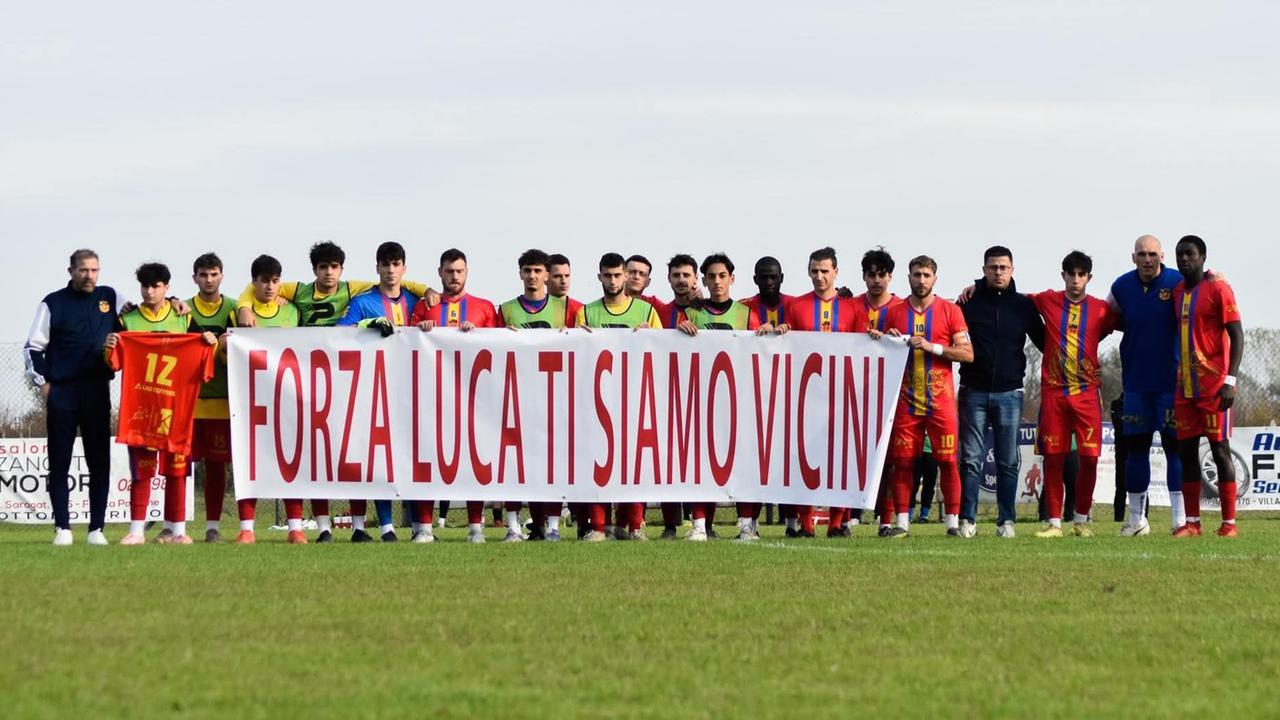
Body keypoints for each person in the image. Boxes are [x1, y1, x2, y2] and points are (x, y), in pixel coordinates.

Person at [106, 263, 218, 545]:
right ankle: (136, 531)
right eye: (145, 286)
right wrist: (108, 348)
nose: (150, 291)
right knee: (142, 471)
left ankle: (179, 532)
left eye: (156, 286)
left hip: (177, 408)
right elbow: (113, 363)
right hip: (142, 406)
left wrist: (210, 340)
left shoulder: (182, 317)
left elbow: (205, 350)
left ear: (167, 288)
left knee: (178, 470)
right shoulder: (128, 320)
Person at [25, 249, 123, 545]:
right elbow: (32, 348)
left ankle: (97, 529)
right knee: (59, 461)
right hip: (63, 391)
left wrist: (174, 304)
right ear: (71, 271)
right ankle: (62, 528)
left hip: (96, 390)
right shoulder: (53, 302)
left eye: (94, 270)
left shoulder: (111, 297)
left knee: (100, 463)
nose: (89, 275)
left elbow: (141, 315)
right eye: (83, 270)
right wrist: (44, 384)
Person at [872, 255, 973, 538]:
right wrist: (888, 339)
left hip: (940, 403)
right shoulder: (895, 312)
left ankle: (953, 523)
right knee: (903, 462)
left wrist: (933, 347)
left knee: (948, 461)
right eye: (917, 274)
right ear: (909, 277)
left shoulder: (950, 311)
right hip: (906, 402)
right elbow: (881, 348)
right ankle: (902, 523)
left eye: (927, 275)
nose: (921, 280)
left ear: (935, 279)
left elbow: (967, 354)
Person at [411, 248, 503, 543]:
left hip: (473, 401)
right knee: (426, 459)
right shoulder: (425, 307)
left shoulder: (485, 308)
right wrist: (420, 330)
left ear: (467, 273)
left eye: (459, 271)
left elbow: (500, 349)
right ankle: (424, 528)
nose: (454, 276)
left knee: (474, 461)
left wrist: (478, 336)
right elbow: (407, 343)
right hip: (431, 400)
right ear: (439, 273)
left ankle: (476, 527)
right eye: (449, 271)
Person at [676, 253, 768, 540]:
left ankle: (745, 524)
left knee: (744, 462)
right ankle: (699, 525)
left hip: (738, 401)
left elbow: (759, 354)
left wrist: (768, 335)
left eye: (722, 276)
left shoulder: (745, 314)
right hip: (702, 402)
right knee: (701, 462)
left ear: (731, 279)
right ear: (703, 280)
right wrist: (678, 331)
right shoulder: (691, 315)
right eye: (711, 277)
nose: (717, 282)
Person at [955, 246, 1045, 539]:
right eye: (992, 267)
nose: (998, 272)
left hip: (1010, 392)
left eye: (1003, 267)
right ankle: (967, 520)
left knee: (1008, 461)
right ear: (984, 270)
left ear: (1012, 270)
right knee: (970, 459)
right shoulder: (967, 303)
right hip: (973, 390)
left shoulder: (1023, 306)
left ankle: (1007, 521)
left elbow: (1046, 342)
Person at [1026, 252, 1117, 538]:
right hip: (1054, 394)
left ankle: (1081, 520)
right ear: (1063, 275)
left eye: (1081, 274)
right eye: (1071, 274)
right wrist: (976, 288)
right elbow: (1012, 299)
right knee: (1054, 458)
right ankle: (1053, 523)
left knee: (1089, 459)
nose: (1076, 280)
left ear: (1089, 278)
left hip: (1087, 394)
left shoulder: (1102, 310)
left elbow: (1128, 324)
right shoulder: (1047, 300)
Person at [338, 241, 422, 543]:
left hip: (413, 393)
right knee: (380, 460)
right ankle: (386, 527)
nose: (390, 270)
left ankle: (418, 527)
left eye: (395, 263)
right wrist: (366, 324)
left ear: (404, 268)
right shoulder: (364, 302)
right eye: (385, 264)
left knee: (413, 459)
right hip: (375, 392)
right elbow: (339, 333)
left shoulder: (417, 300)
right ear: (377, 268)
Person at [575, 252, 662, 542]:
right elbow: (574, 355)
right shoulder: (586, 313)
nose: (612, 280)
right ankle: (598, 527)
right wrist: (575, 337)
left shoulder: (647, 313)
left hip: (635, 399)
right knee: (597, 462)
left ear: (626, 276)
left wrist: (652, 337)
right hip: (597, 400)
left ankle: (634, 526)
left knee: (634, 462)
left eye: (617, 275)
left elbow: (662, 352)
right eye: (607, 275)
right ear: (599, 276)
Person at [777, 247, 859, 537]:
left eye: (825, 271)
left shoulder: (854, 307)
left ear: (836, 272)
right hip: (806, 397)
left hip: (841, 396)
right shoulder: (796, 306)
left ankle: (838, 523)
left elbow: (864, 350)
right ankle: (806, 525)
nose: (819, 276)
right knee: (804, 460)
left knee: (841, 459)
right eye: (814, 271)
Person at [1108, 235, 1185, 536]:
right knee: (1136, 451)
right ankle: (1136, 520)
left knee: (1174, 450)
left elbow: (1205, 289)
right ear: (1133, 257)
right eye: (1142, 254)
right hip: (1136, 386)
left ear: (1162, 255)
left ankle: (1179, 520)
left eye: (1152, 253)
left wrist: (1215, 277)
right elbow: (1104, 316)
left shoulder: (1178, 281)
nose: (1147, 259)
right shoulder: (1121, 287)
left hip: (1171, 385)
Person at [1170, 235, 1244, 538]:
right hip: (1185, 388)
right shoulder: (1176, 292)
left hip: (1215, 388)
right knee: (1186, 453)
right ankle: (1193, 522)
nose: (1184, 259)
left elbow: (1237, 334)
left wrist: (1231, 380)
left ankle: (1229, 524)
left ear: (1203, 257)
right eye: (1180, 255)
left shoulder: (1218, 288)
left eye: (1190, 254)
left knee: (1219, 451)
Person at [232, 256, 307, 543]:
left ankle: (296, 527)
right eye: (264, 280)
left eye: (275, 280)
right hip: (250, 399)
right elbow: (230, 355)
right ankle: (247, 528)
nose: (270, 286)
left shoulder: (292, 313)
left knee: (292, 460)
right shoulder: (240, 312)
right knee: (248, 460)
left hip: (285, 397)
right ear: (254, 282)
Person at [498, 249, 570, 542]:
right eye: (527, 270)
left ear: (546, 275)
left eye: (538, 271)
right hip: (516, 398)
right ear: (520, 274)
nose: (532, 276)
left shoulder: (566, 309)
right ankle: (513, 526)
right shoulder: (504, 309)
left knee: (551, 464)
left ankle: (553, 526)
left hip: (553, 399)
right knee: (514, 464)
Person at [848, 248, 904, 537]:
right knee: (850, 458)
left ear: (891, 277)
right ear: (864, 276)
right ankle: (845, 518)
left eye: (882, 274)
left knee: (890, 462)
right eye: (871, 274)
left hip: (892, 397)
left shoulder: (903, 309)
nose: (877, 280)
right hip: (853, 395)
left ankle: (886, 520)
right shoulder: (851, 306)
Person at [186, 253, 237, 543]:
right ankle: (174, 526)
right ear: (195, 277)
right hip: (189, 402)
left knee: (218, 468)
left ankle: (212, 527)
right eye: (203, 275)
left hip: (223, 402)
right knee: (180, 465)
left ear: (221, 275)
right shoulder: (183, 310)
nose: (208, 280)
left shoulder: (233, 308)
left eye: (213, 274)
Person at [651, 254, 703, 539]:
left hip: (700, 395)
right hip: (665, 396)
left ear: (695, 278)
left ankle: (701, 523)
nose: (681, 280)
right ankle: (670, 524)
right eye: (676, 275)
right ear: (668, 279)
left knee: (699, 462)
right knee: (668, 462)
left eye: (686, 275)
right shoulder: (658, 310)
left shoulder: (705, 310)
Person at [547, 253, 585, 327]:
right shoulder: (531, 309)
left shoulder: (581, 309)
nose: (564, 281)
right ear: (545, 278)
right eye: (557, 276)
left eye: (567, 276)